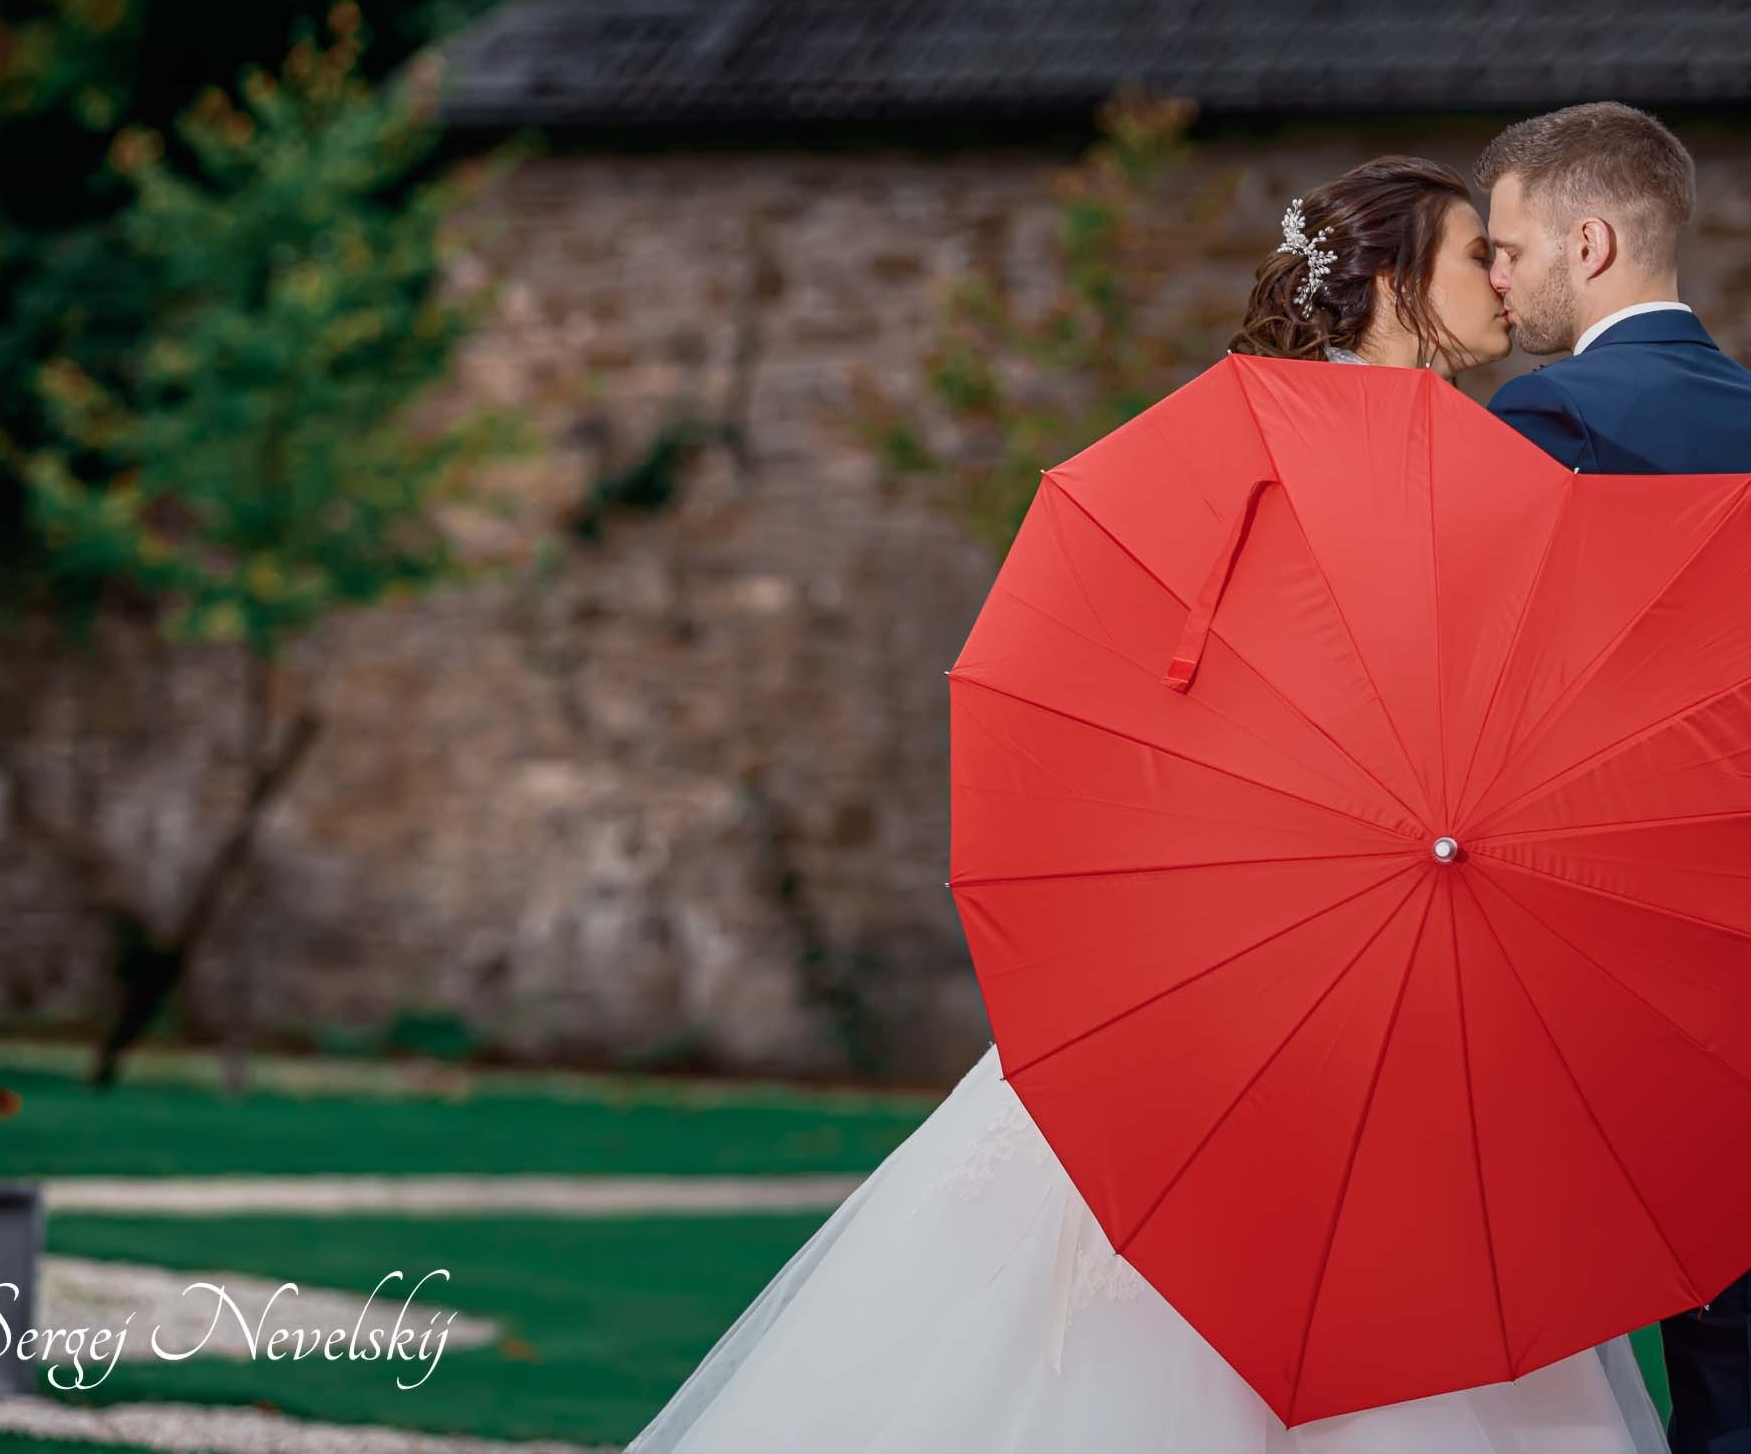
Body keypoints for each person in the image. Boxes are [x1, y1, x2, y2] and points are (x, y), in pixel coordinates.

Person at [619, 155, 1668, 1454]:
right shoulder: (1402, 461)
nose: (1506, 285)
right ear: (1396, 282)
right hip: (1309, 919)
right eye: (1475, 257)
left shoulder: (1271, 441)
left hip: (1317, 918)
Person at [1476, 101, 1751, 1454]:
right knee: (1730, 1335)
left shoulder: (1552, 416)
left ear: (1591, 242)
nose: (1497, 279)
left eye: (1511, 249)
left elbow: (1495, 686)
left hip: (1584, 942)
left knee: (1517, 1296)